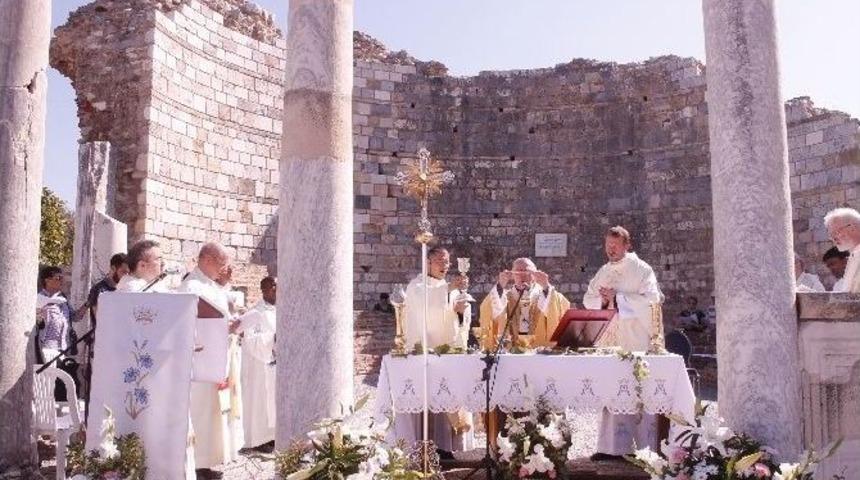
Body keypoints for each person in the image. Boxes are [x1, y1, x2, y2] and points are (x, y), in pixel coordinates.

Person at [583, 226, 664, 458]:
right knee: (613, 392)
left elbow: (652, 301)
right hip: (611, 342)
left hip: (636, 341)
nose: (611, 250)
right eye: (608, 246)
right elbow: (588, 299)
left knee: (640, 393)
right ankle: (611, 448)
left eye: (615, 246)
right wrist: (602, 298)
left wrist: (617, 298)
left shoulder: (642, 270)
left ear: (627, 245)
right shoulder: (603, 271)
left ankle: (646, 450)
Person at [177, 242, 243, 476]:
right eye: (221, 264)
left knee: (214, 411)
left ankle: (208, 461)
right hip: (201, 358)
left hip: (217, 355)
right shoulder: (191, 286)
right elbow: (191, 320)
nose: (223, 270)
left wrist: (232, 324)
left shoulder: (210, 285)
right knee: (200, 411)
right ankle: (196, 463)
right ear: (207, 260)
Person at [401, 246, 473, 453]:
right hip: (425, 352)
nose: (445, 265)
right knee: (428, 401)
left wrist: (459, 313)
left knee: (448, 396)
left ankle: (447, 448)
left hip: (449, 353)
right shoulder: (416, 286)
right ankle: (424, 448)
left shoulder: (451, 288)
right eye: (440, 261)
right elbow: (425, 305)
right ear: (428, 263)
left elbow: (462, 321)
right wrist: (447, 290)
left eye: (447, 261)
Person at [478, 257, 570, 349]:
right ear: (512, 275)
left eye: (527, 272)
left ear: (535, 275)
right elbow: (487, 309)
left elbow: (559, 308)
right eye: (518, 272)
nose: (522, 276)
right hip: (510, 351)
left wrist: (546, 287)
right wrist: (500, 286)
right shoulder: (504, 296)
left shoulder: (545, 295)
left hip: (539, 351)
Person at [236, 276, 276, 451]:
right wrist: (272, 339)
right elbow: (249, 338)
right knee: (259, 400)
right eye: (272, 287)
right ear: (265, 290)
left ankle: (274, 435)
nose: (275, 291)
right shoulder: (255, 313)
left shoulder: (281, 309)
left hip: (275, 362)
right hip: (258, 364)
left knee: (273, 400)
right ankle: (258, 440)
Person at [824, 207, 860, 293]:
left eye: (835, 233)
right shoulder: (854, 256)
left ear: (851, 228)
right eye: (831, 235)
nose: (833, 239)